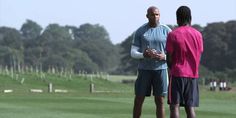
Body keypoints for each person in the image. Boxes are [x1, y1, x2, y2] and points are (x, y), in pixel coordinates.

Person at [130, 6, 171, 118]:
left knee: (160, 100)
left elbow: (175, 53)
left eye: (157, 14)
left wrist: (164, 57)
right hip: (144, 70)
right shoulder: (140, 31)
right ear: (147, 16)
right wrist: (144, 54)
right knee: (139, 99)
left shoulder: (167, 30)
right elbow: (133, 52)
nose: (155, 17)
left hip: (161, 70)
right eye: (152, 14)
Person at [166, 6, 203, 118]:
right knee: (190, 107)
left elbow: (169, 58)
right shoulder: (198, 35)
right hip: (192, 75)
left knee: (174, 106)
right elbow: (199, 55)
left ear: (177, 19)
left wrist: (172, 68)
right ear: (190, 18)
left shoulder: (173, 34)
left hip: (177, 73)